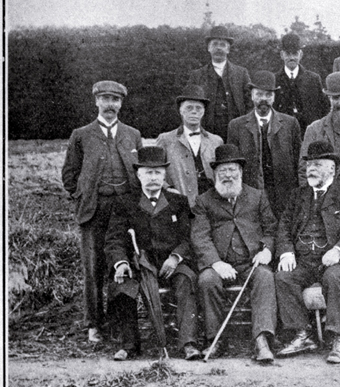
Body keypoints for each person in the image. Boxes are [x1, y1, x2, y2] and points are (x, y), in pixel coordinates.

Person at [62, 80, 143, 344]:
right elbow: (69, 175)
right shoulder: (82, 134)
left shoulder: (132, 134)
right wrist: (83, 196)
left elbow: (141, 170)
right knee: (93, 266)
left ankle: (120, 322)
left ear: (121, 103)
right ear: (96, 101)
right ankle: (94, 323)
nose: (110, 105)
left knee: (121, 264)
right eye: (105, 99)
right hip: (94, 210)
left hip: (124, 209)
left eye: (115, 100)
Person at [104, 146, 201, 361]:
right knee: (122, 283)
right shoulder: (125, 202)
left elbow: (189, 238)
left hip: (172, 263)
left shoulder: (178, 202)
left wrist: (175, 257)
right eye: (148, 172)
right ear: (139, 175)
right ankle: (129, 345)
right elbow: (114, 239)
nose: (153, 177)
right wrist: (120, 262)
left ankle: (188, 343)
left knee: (187, 279)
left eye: (158, 172)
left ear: (165, 175)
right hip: (138, 263)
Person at [275, 141, 340, 364]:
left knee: (333, 277)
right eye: (308, 165)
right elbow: (284, 226)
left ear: (332, 169)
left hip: (335, 261)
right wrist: (286, 253)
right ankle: (302, 334)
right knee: (284, 277)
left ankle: (337, 339)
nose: (311, 169)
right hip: (305, 260)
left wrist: (339, 249)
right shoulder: (298, 195)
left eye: (317, 164)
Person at [190, 144, 278, 363]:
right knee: (207, 279)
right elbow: (200, 237)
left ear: (240, 171)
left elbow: (272, 229)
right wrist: (216, 263)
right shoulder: (204, 201)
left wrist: (267, 249)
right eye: (223, 171)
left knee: (266, 277)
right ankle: (215, 339)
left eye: (232, 170)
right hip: (220, 263)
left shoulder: (257, 196)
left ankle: (261, 340)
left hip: (252, 262)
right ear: (215, 173)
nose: (228, 175)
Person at [227, 70, 302, 219]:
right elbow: (232, 166)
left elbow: (298, 163)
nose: (264, 99)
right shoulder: (236, 126)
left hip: (283, 197)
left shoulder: (290, 124)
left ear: (274, 97)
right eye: (259, 94)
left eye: (268, 95)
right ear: (252, 95)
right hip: (250, 197)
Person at [156, 84, 223, 208]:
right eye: (189, 108)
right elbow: (156, 170)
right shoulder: (166, 139)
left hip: (212, 204)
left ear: (203, 111)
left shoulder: (216, 141)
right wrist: (168, 189)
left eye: (198, 108)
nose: (194, 111)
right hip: (181, 202)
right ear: (181, 110)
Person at [186, 25, 250, 141]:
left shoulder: (241, 73)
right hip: (206, 134)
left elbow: (250, 103)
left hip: (236, 133)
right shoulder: (197, 75)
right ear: (208, 48)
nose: (219, 48)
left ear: (228, 49)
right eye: (215, 44)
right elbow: (188, 105)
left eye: (222, 45)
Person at [273, 33, 329, 132]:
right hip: (282, 133)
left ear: (301, 54)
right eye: (288, 54)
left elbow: (323, 109)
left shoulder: (313, 79)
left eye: (295, 54)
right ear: (282, 55)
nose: (291, 57)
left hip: (308, 132)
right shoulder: (274, 80)